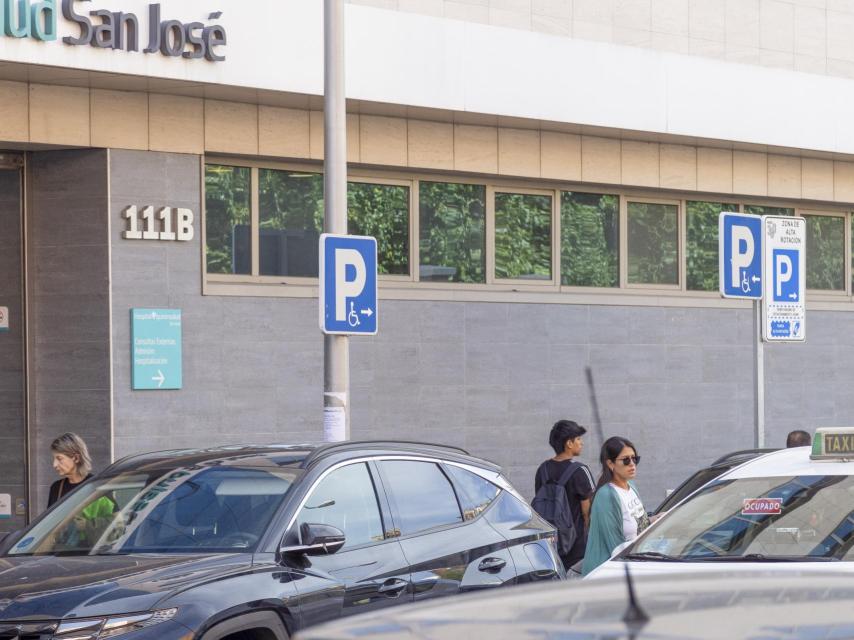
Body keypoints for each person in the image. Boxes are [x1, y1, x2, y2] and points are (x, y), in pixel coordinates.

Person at [533, 420, 596, 572]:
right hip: (577, 548)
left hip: (550, 545)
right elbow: (588, 513)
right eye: (579, 439)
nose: (582, 443)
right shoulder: (580, 471)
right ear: (569, 443)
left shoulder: (543, 469)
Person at [582, 436, 649, 576]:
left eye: (634, 458)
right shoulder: (606, 496)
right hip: (608, 574)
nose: (632, 464)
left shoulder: (631, 486)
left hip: (633, 566)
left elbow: (638, 523)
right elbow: (616, 547)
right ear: (610, 464)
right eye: (626, 460)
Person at [48, 432, 94, 507]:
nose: (54, 464)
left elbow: (116, 517)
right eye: (54, 459)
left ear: (76, 458)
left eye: (59, 459)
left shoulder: (95, 485)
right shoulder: (56, 488)